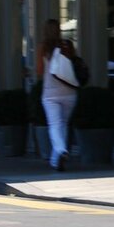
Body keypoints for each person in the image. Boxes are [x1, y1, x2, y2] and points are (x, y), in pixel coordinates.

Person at [36, 19, 77, 171]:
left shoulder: (43, 47)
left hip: (50, 93)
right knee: (63, 124)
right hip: (69, 92)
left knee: (54, 125)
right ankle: (56, 161)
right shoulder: (67, 45)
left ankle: (60, 150)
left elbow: (39, 71)